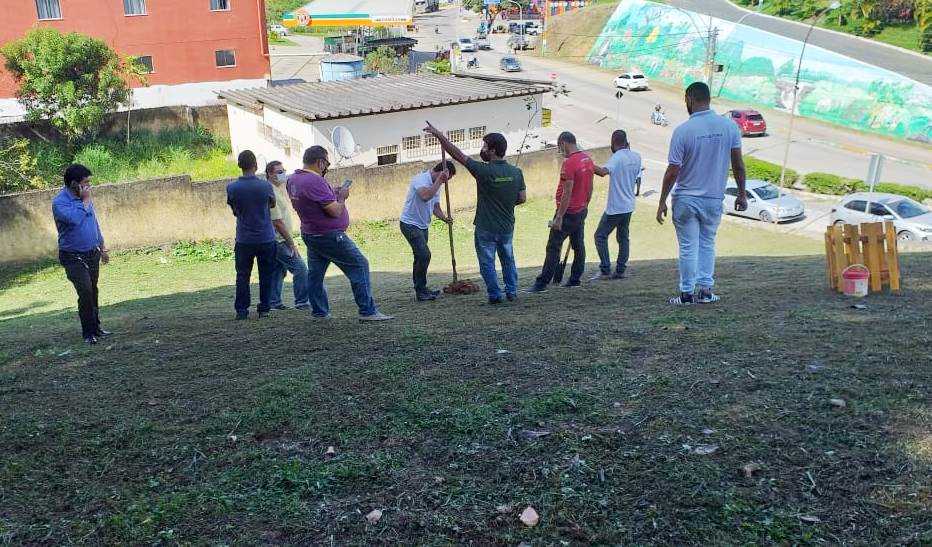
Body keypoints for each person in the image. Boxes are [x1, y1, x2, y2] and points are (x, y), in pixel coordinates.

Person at [656, 81, 747, 305]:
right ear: (708, 99)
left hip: (686, 198)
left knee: (688, 246)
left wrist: (662, 201)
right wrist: (742, 194)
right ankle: (705, 291)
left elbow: (673, 170)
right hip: (713, 198)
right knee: (707, 243)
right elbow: (738, 165)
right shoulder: (729, 127)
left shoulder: (683, 131)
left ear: (689, 99)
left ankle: (686, 293)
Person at [424, 122, 526, 304]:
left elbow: (458, 155)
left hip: (486, 228)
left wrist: (440, 136)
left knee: (487, 263)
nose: (483, 149)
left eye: (485, 146)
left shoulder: (483, 171)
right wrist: (505, 202)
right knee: (508, 260)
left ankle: (495, 295)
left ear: (493, 150)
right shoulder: (516, 173)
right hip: (507, 227)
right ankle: (511, 291)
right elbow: (521, 198)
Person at [287, 146, 393, 321]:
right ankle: (367, 311)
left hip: (311, 234)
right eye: (326, 163)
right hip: (329, 236)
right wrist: (342, 197)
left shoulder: (294, 179)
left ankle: (320, 312)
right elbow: (335, 211)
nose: (326, 167)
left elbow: (313, 201)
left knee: (315, 275)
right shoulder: (315, 181)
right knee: (360, 265)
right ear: (320, 162)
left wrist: (331, 193)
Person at [52, 164, 111, 345]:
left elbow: (94, 223)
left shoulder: (85, 198)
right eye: (85, 183)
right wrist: (85, 201)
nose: (88, 187)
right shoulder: (60, 203)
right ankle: (88, 333)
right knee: (85, 291)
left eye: (89, 183)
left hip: (92, 252)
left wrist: (102, 247)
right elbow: (76, 220)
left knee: (93, 290)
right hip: (72, 256)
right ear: (73, 184)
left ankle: (96, 328)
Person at [528, 131, 594, 292]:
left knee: (553, 246)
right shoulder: (587, 159)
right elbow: (590, 186)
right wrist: (585, 204)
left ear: (564, 143)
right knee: (578, 245)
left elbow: (567, 191)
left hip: (568, 212)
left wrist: (559, 217)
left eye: (560, 147)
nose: (560, 150)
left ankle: (542, 283)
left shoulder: (569, 162)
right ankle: (575, 279)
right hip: (580, 210)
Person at [226, 150, 278, 320]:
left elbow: (235, 210)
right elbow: (271, 204)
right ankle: (264, 308)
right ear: (256, 165)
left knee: (242, 275)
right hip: (266, 237)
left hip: (244, 239)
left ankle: (242, 310)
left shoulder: (232, 187)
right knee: (266, 274)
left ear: (239, 166)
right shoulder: (265, 186)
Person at [399, 161, 455, 301]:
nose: (445, 182)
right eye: (446, 179)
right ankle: (421, 290)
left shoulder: (438, 184)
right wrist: (439, 182)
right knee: (424, 255)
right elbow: (425, 196)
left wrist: (445, 218)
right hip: (410, 224)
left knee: (419, 257)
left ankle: (421, 290)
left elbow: (435, 206)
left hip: (423, 226)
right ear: (439, 172)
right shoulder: (420, 179)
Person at [590, 129, 642, 281]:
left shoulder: (617, 157)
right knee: (623, 238)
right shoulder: (636, 157)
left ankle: (605, 269)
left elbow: (602, 172)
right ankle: (620, 270)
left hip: (616, 207)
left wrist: (587, 163)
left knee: (600, 236)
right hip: (629, 205)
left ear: (613, 143)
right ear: (627, 142)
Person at [266, 161, 310, 311]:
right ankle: (302, 301)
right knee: (300, 268)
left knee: (278, 270)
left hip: (278, 240)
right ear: (270, 174)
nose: (282, 174)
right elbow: (277, 222)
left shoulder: (278, 189)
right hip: (279, 240)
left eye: (283, 170)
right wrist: (291, 243)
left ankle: (274, 302)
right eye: (279, 172)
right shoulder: (271, 192)